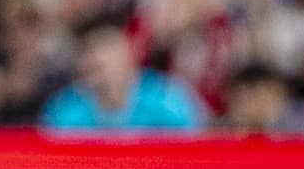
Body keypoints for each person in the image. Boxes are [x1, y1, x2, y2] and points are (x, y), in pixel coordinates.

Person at [40, 15, 206, 131]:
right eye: (87, 50)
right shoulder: (66, 110)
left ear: (130, 51)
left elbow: (195, 155)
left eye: (105, 46)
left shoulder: (169, 100)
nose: (94, 57)